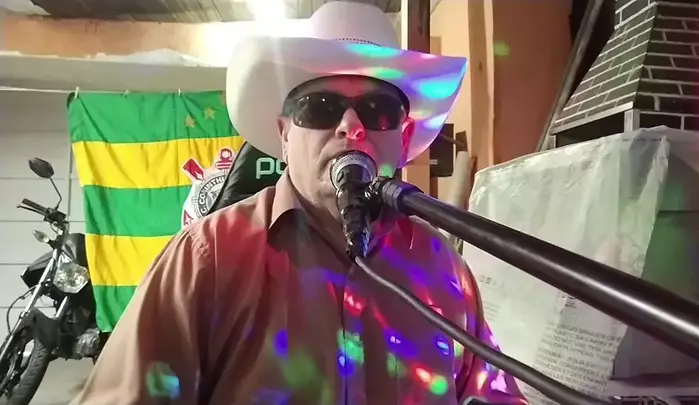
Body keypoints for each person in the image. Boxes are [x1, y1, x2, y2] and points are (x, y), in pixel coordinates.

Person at [72, 3, 527, 405]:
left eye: (378, 109)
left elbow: (491, 393)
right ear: (285, 136)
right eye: (321, 106)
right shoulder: (206, 259)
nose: (351, 126)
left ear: (403, 138)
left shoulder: (443, 268)